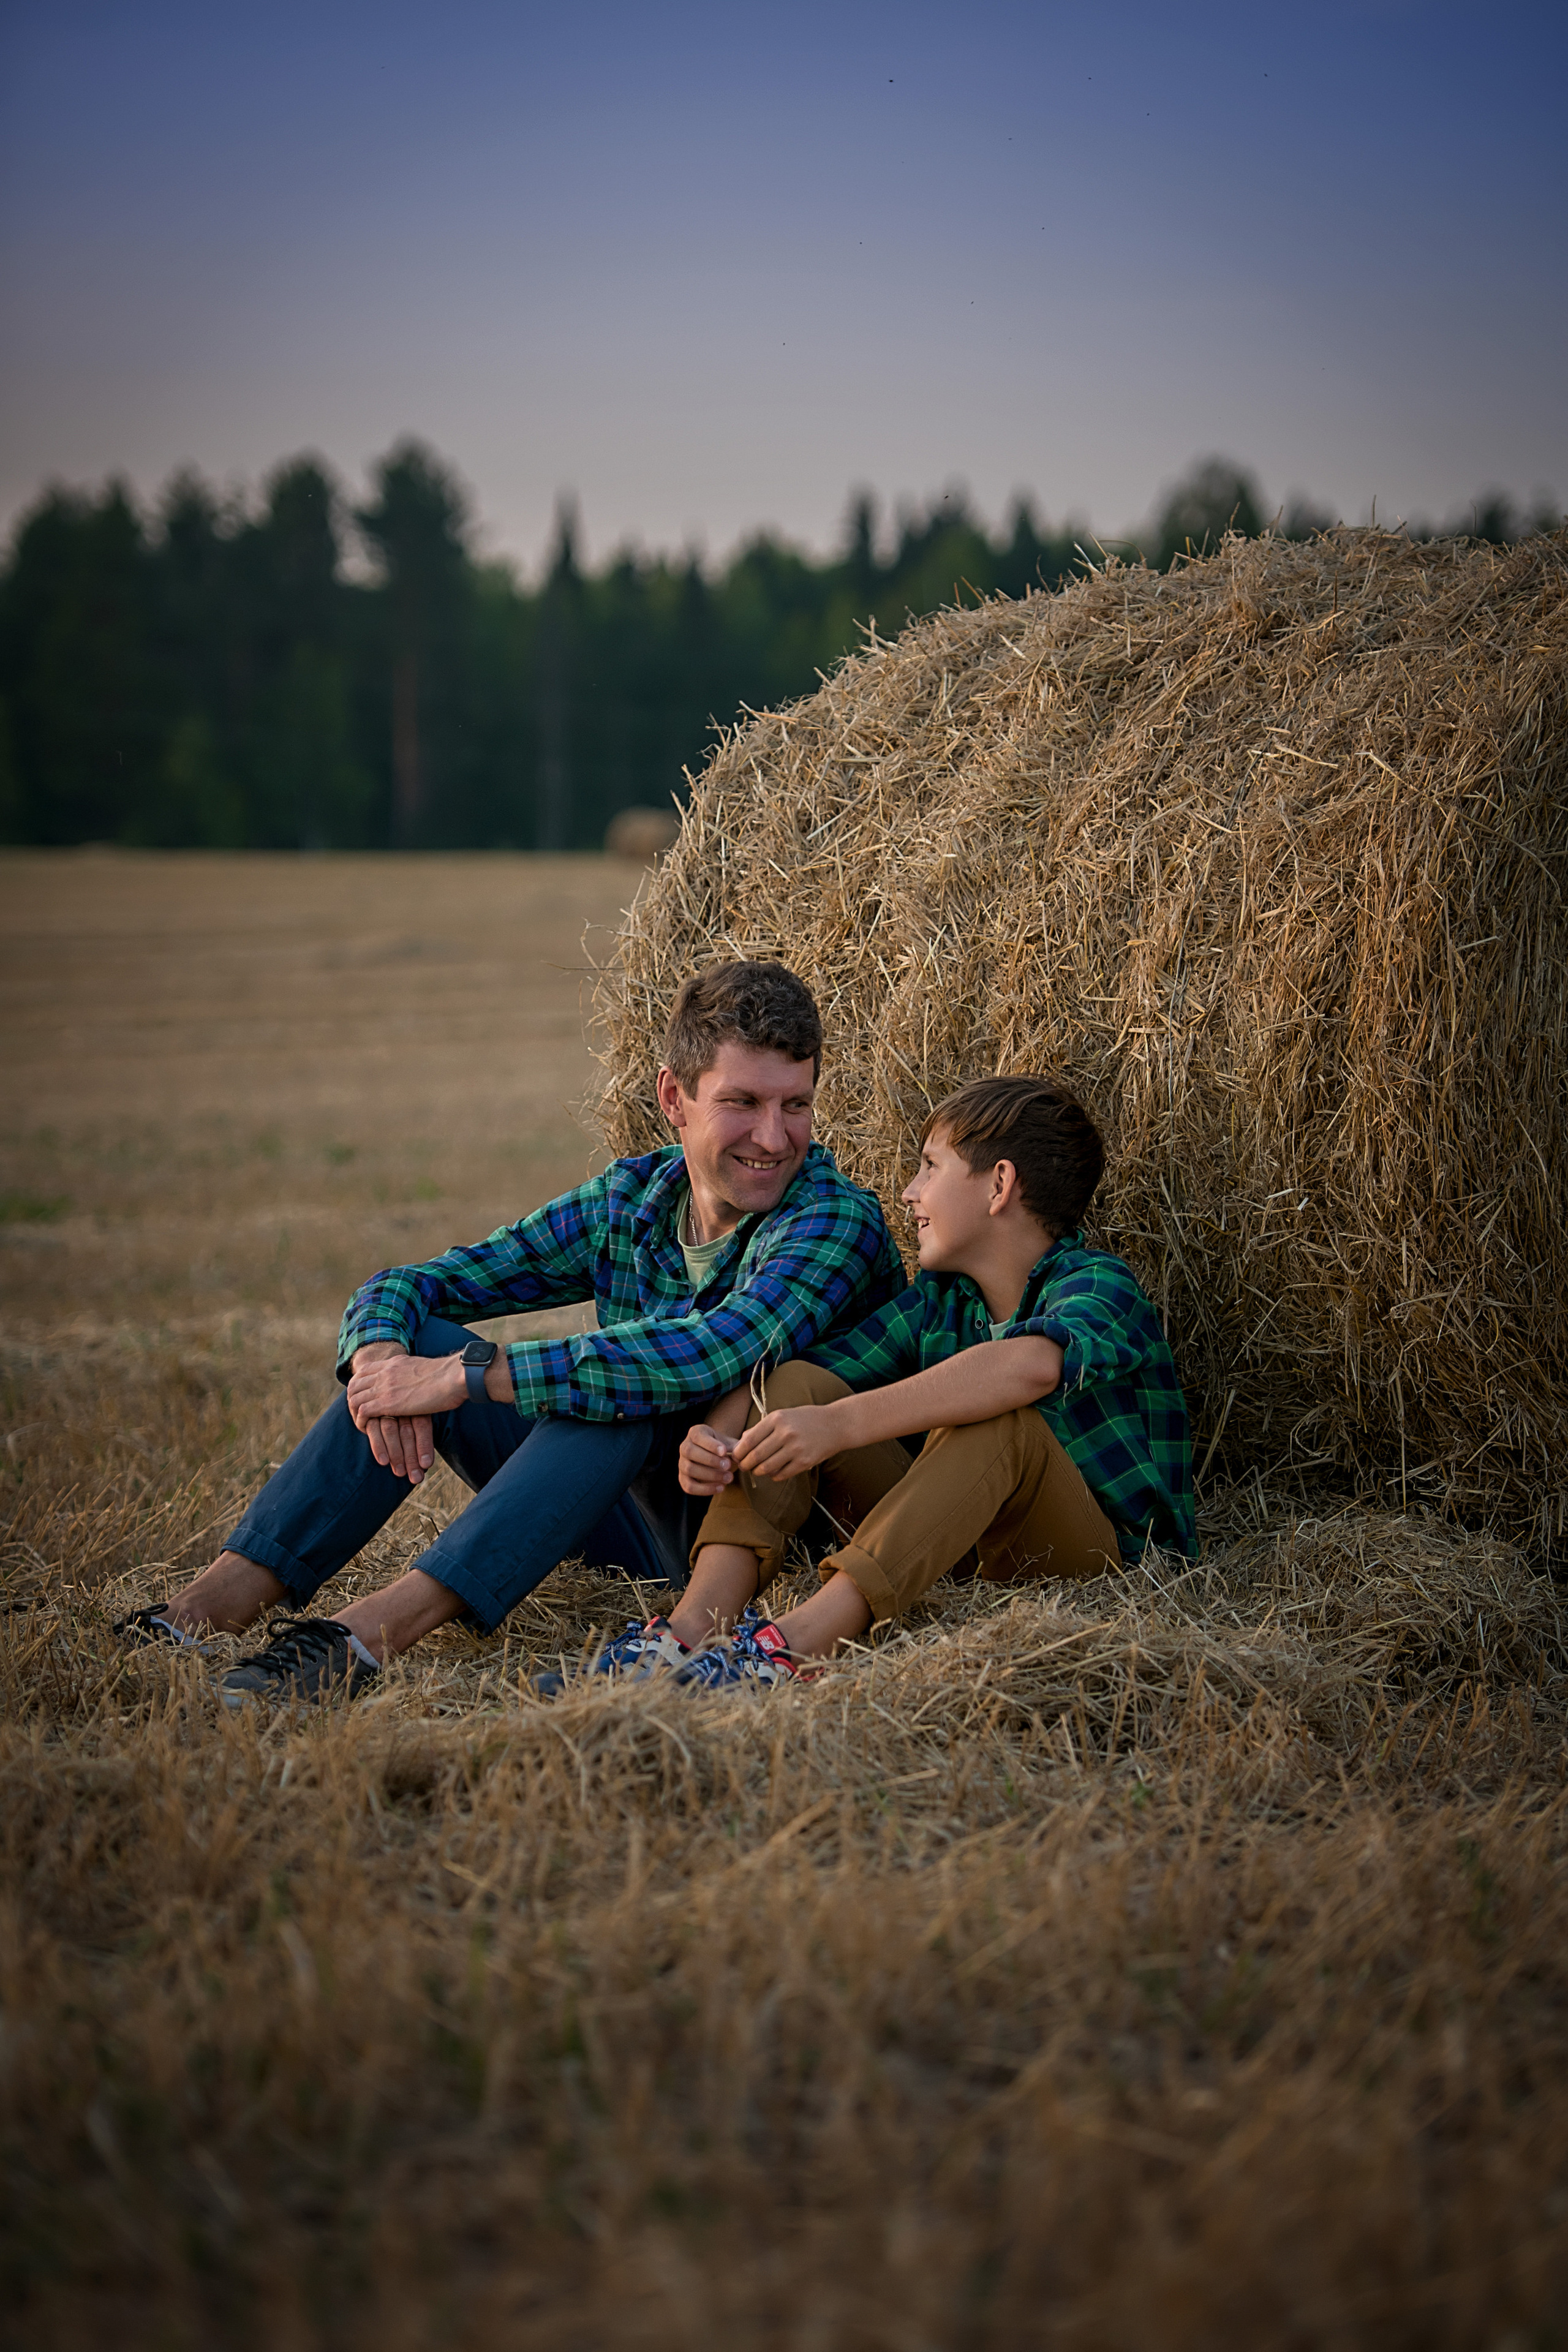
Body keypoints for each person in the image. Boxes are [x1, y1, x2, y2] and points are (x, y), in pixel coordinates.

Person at [114, 961, 903, 1704]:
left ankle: (364, 1637)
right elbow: (416, 1283)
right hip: (636, 1531)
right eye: (743, 1103)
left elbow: (708, 1352)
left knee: (615, 1388)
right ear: (673, 1097)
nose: (774, 1138)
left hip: (761, 1557)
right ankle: (212, 1606)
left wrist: (466, 1375)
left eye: (794, 1105)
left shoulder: (833, 1219)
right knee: (425, 1339)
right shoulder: (630, 1200)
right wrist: (383, 1357)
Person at [583, 1074, 1197, 1689]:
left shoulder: (1095, 1284)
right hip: (953, 1549)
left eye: (930, 1168)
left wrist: (843, 1425)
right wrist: (714, 1438)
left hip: (1093, 1567)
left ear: (1000, 1186)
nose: (909, 1193)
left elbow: (1028, 1367)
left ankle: (789, 1649)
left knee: (1002, 1418)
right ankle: (690, 1631)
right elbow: (800, 1378)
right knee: (797, 1383)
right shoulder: (941, 1302)